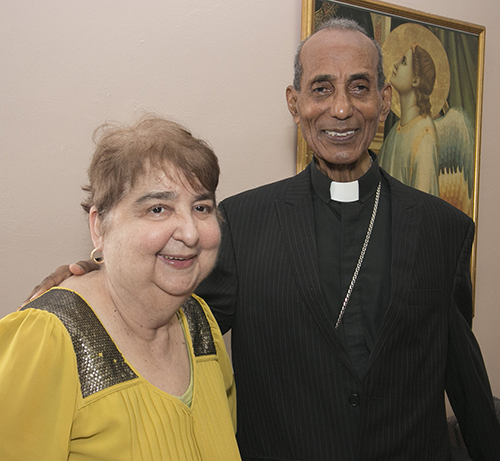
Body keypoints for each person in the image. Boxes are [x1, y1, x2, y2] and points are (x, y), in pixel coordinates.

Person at [27, 19, 500, 461]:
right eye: (322, 89)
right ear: (295, 103)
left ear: (384, 100)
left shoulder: (444, 227)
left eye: (360, 87)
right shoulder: (241, 222)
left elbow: (464, 373)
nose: (341, 108)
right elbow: (164, 309)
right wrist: (96, 279)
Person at [2, 116, 241, 460]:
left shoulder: (200, 322)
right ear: (99, 227)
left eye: (201, 207)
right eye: (158, 208)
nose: (190, 233)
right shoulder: (47, 337)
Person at [379, 43, 440, 196]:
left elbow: (423, 206)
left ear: (416, 80)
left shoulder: (424, 136)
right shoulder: (395, 131)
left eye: (404, 61)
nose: (395, 64)